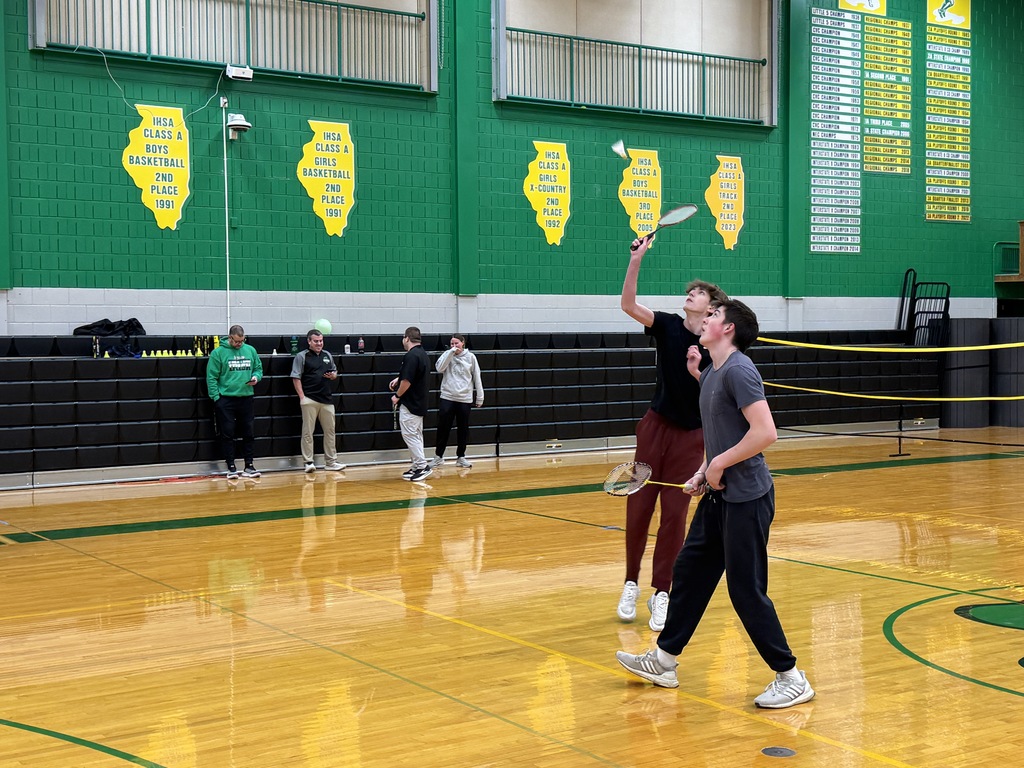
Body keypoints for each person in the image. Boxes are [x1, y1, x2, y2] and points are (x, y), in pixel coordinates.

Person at [616, 298, 815, 710]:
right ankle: (664, 660)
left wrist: (719, 464)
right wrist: (702, 470)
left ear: (728, 329)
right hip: (720, 497)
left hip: (748, 498)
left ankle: (791, 677)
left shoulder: (740, 370)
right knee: (689, 571)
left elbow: (766, 432)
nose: (704, 320)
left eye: (713, 316)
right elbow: (720, 436)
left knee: (746, 592)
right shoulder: (709, 374)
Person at [617, 235, 725, 631]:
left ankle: (661, 591)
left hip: (691, 437)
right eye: (690, 292)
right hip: (655, 427)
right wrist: (636, 259)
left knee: (674, 517)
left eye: (697, 293)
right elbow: (628, 305)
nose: (690, 295)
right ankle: (630, 582)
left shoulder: (717, 345)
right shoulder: (666, 324)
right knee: (638, 508)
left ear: (712, 308)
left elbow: (716, 397)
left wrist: (700, 368)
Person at [206, 325, 263, 480]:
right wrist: (216, 398)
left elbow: (258, 368)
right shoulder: (218, 353)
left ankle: (249, 466)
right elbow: (211, 377)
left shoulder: (250, 350)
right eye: (237, 341)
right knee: (228, 433)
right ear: (230, 338)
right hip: (226, 400)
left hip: (246, 397)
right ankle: (231, 467)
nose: (239, 344)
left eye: (242, 341)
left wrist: (256, 378)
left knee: (249, 433)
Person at [291, 329, 346, 473]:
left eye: (321, 341)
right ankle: (308, 462)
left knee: (330, 431)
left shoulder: (327, 355)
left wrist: (333, 375)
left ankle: (331, 462)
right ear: (309, 341)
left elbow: (334, 372)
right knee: (308, 432)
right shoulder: (302, 356)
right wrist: (302, 397)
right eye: (316, 341)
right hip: (309, 399)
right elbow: (296, 377)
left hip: (327, 400)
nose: (319, 343)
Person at [429, 334, 484, 469]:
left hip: (464, 398)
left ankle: (461, 456)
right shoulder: (447, 355)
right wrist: (450, 353)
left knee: (463, 429)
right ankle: (439, 456)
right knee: (443, 428)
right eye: (452, 344)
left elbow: (477, 376)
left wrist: (480, 397)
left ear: (463, 343)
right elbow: (439, 368)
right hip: (448, 397)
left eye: (456, 344)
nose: (454, 346)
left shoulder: (471, 357)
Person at [390, 326, 432, 482]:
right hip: (420, 401)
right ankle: (416, 466)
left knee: (410, 435)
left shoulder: (411, 356)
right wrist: (398, 379)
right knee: (416, 435)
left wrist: (397, 395)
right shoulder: (422, 354)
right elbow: (411, 375)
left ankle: (422, 466)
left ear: (407, 338)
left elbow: (407, 381)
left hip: (411, 403)